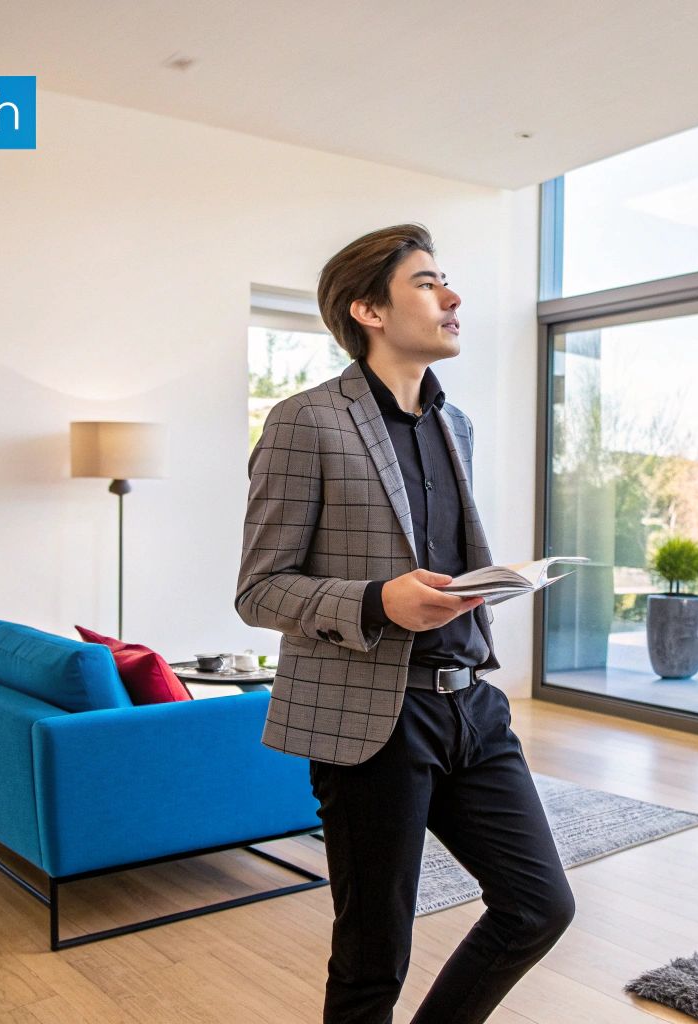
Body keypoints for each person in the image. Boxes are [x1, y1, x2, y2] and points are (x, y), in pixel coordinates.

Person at [236, 223, 574, 1023]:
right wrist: (375, 601)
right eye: (427, 283)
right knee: (373, 953)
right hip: (370, 719)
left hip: (473, 706)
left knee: (538, 907)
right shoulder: (304, 421)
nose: (451, 297)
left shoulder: (454, 425)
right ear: (369, 310)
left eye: (445, 280)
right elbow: (260, 590)